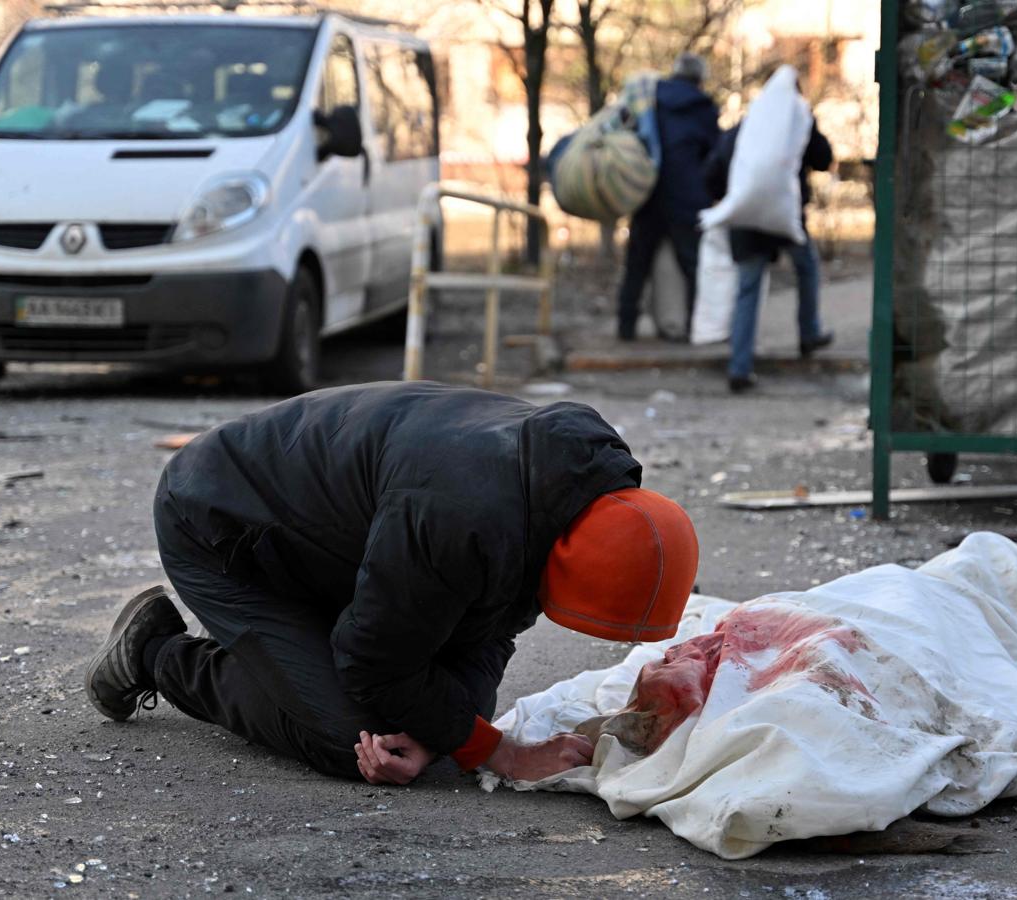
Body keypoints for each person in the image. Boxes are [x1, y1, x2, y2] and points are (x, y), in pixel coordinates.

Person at [85, 382, 700, 786]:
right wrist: (495, 751)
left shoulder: (568, 495)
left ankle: (305, 654)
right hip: (221, 524)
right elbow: (373, 663)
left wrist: (457, 736)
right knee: (348, 737)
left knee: (446, 715)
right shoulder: (460, 517)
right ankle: (155, 653)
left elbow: (490, 632)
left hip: (341, 542)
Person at [704, 111, 835, 393]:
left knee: (747, 291)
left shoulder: (738, 131)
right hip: (784, 217)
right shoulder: (794, 123)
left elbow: (710, 175)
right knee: (807, 268)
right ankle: (809, 332)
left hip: (745, 224)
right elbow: (823, 159)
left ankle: (739, 368)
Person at [615, 53, 720, 342]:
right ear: (699, 79)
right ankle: (695, 329)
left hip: (648, 192)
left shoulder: (650, 99)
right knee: (694, 267)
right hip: (687, 196)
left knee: (637, 265)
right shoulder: (704, 108)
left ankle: (625, 328)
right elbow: (714, 153)